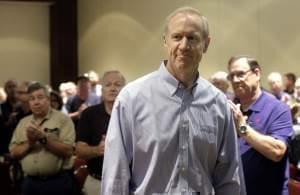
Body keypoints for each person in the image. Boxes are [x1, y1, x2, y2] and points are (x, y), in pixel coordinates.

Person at [101, 7, 245, 195]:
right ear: (165, 41)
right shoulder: (132, 99)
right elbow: (116, 176)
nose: (184, 46)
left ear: (206, 44)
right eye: (177, 37)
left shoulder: (218, 103)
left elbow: (229, 177)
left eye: (192, 38)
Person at [227, 55, 293, 195]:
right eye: (231, 76)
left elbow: (277, 151)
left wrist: (243, 129)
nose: (235, 80)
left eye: (240, 74)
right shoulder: (228, 108)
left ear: (257, 73)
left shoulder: (277, 108)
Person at [9, 82, 77, 195]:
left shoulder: (63, 120)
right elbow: (13, 153)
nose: (36, 102)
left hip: (57, 182)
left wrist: (43, 138)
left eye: (40, 97)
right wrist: (30, 143)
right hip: (29, 183)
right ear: (29, 102)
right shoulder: (23, 123)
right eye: (32, 99)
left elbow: (68, 151)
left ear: (48, 99)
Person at [76, 70, 125, 195]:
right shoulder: (89, 114)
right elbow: (79, 151)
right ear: (101, 90)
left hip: (127, 182)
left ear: (125, 89)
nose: (113, 88)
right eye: (108, 85)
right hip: (97, 182)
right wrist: (100, 149)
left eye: (117, 85)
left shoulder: (133, 114)